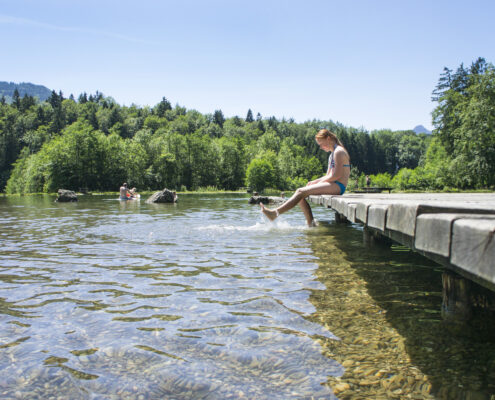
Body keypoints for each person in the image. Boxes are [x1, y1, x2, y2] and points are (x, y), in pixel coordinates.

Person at [260, 129, 351, 226]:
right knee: (300, 195)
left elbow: (337, 175)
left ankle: (274, 213)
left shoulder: (339, 152)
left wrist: (318, 183)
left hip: (338, 186)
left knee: (300, 191)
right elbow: (328, 175)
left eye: (321, 144)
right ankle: (310, 224)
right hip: (333, 184)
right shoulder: (332, 154)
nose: (320, 147)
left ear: (328, 139)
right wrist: (314, 182)